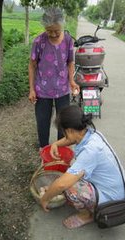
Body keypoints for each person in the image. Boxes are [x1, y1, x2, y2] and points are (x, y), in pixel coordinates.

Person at [39, 105, 125, 229]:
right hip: (113, 187)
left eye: (64, 132)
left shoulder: (90, 151)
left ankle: (87, 215)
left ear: (69, 130)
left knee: (69, 186)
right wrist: (56, 144)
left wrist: (45, 199)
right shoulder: (91, 133)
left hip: (110, 200)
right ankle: (89, 202)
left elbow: (61, 184)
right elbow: (72, 139)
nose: (65, 135)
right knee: (72, 174)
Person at [28, 7, 80, 150]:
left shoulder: (68, 40)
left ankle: (61, 149)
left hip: (62, 89)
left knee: (63, 122)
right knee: (42, 121)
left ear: (62, 25)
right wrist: (32, 89)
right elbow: (32, 65)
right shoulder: (38, 41)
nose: (53, 34)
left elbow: (70, 62)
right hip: (42, 90)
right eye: (49, 30)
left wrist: (71, 81)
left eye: (56, 30)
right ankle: (44, 150)